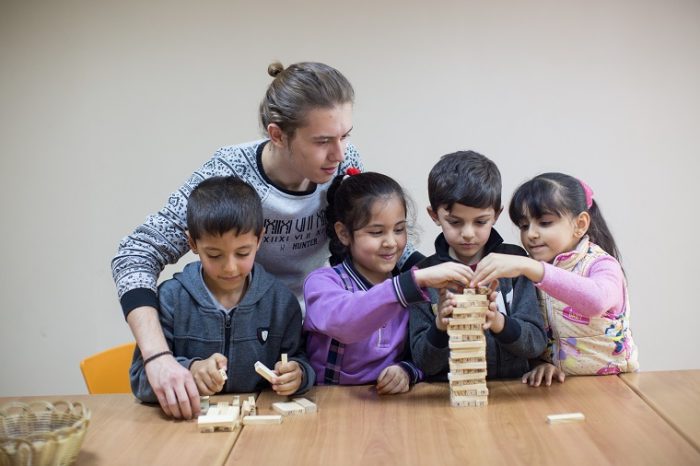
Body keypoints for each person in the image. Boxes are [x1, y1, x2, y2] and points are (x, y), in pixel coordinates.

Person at [112, 61, 421, 418]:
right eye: (322, 141)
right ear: (277, 135)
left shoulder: (344, 161)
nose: (339, 154)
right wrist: (158, 357)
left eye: (345, 135)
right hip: (249, 337)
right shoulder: (230, 170)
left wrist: (432, 272)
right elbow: (135, 254)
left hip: (312, 349)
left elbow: (377, 233)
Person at [130, 176, 314, 407]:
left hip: (256, 425)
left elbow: (301, 361)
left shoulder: (280, 302)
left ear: (259, 239)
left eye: (243, 253)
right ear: (193, 243)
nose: (230, 267)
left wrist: (299, 375)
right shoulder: (170, 299)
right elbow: (140, 380)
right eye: (214, 255)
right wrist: (191, 370)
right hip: (188, 428)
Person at [303, 171, 474, 394]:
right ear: (344, 233)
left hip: (391, 405)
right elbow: (346, 321)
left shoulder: (412, 288)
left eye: (400, 229)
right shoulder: (322, 283)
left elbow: (424, 355)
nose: (391, 242)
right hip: (330, 404)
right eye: (376, 232)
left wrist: (407, 370)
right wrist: (415, 280)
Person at [470, 172, 639, 386]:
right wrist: (539, 364)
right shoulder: (532, 271)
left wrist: (531, 267)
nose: (531, 234)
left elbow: (596, 301)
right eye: (524, 225)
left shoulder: (601, 264)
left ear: (580, 224)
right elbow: (531, 331)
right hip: (561, 386)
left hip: (613, 383)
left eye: (545, 222)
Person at [410, 151, 547, 381]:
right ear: (434, 215)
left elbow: (536, 344)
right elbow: (423, 362)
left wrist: (498, 322)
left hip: (513, 392)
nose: (467, 234)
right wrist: (440, 327)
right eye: (454, 222)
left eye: (480, 222)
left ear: (496, 214)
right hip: (447, 397)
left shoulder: (515, 265)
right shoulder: (423, 276)